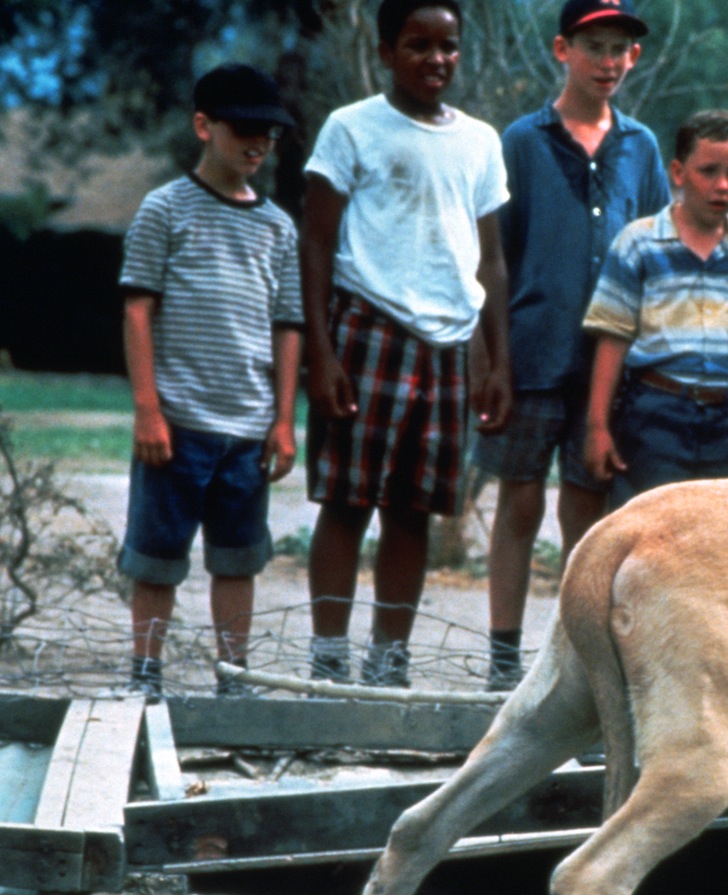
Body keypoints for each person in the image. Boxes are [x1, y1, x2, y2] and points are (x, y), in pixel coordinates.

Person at [300, 0, 511, 688]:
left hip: (446, 343)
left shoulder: (479, 140)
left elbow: (490, 262)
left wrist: (495, 359)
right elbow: (317, 242)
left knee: (414, 510)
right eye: (418, 46)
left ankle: (389, 657)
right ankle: (327, 655)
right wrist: (322, 353)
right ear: (388, 52)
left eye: (447, 46)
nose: (436, 60)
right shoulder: (351, 129)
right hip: (366, 331)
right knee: (346, 502)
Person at [472, 0, 670, 692]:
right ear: (563, 50)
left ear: (634, 58)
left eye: (620, 49)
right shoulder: (522, 141)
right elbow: (495, 258)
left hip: (608, 366)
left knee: (587, 513)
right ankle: (502, 653)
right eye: (594, 47)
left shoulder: (641, 146)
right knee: (518, 500)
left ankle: (574, 657)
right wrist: (491, 359)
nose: (608, 62)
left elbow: (653, 248)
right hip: (530, 354)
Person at [117, 63, 302, 699]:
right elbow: (138, 308)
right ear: (204, 126)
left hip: (248, 429)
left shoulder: (279, 228)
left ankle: (234, 675)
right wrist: (148, 408)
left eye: (270, 134)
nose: (258, 144)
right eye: (244, 129)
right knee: (157, 557)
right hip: (179, 423)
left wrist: (283, 420)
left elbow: (287, 326)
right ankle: (145, 674)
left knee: (238, 556)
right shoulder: (164, 210)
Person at [581, 109, 728, 512]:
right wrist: (598, 426)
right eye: (708, 171)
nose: (721, 186)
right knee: (654, 528)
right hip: (657, 412)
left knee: (723, 534)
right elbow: (613, 336)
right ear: (678, 171)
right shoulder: (640, 243)